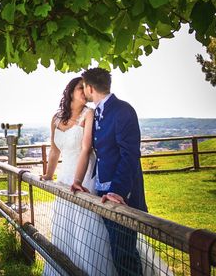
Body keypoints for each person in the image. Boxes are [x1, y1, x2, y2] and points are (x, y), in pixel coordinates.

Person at [73, 67, 147, 276]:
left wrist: (118, 191)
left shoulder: (123, 110)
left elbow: (130, 154)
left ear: (89, 87)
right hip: (101, 193)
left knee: (124, 256)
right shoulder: (96, 113)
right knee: (116, 253)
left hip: (121, 197)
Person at [41, 77, 117, 276]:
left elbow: (85, 149)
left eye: (85, 88)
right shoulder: (56, 118)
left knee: (86, 227)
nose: (84, 92)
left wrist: (77, 180)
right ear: (70, 91)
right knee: (64, 224)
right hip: (64, 176)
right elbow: (54, 151)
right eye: (79, 88)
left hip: (83, 175)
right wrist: (48, 175)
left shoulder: (88, 114)